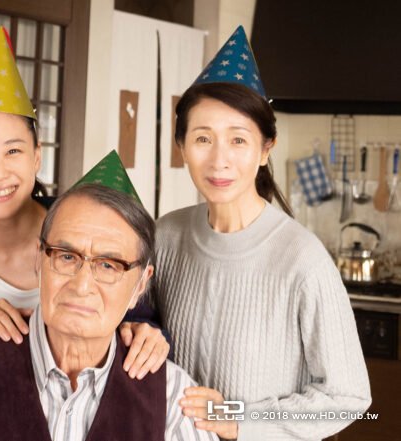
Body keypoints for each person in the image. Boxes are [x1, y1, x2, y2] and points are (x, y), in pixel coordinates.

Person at [0, 28, 169, 408]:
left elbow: (140, 318)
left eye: (13, 151)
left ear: (37, 156)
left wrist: (147, 334)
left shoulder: (90, 227)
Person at [152, 26, 371, 440]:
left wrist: (236, 416)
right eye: (203, 138)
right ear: (181, 146)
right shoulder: (165, 236)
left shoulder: (302, 260)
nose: (219, 160)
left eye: (238, 140)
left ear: (266, 149)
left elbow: (348, 398)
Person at [0, 183, 216, 441]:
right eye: (66, 256)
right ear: (39, 260)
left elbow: (234, 413)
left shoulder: (171, 390)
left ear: (140, 286)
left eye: (109, 265)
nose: (82, 285)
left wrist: (238, 416)